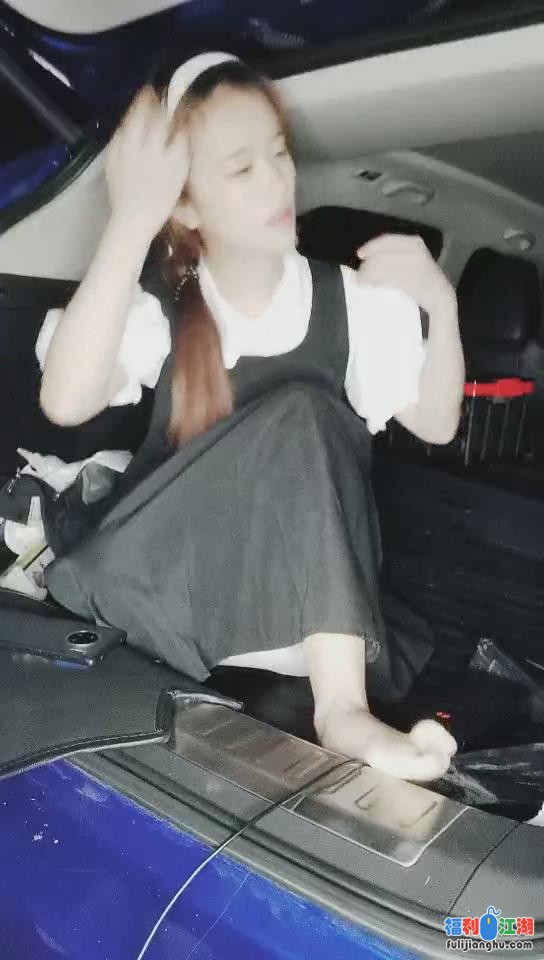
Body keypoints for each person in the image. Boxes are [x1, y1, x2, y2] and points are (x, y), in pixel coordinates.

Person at [37, 52, 465, 782]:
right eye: (242, 169)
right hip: (163, 598)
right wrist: (131, 221)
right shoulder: (161, 310)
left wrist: (443, 306)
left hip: (305, 614)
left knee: (306, 416)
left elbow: (436, 424)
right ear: (187, 207)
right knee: (300, 411)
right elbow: (65, 401)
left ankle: (343, 711)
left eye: (279, 155)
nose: (277, 182)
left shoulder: (355, 301)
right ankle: (337, 710)